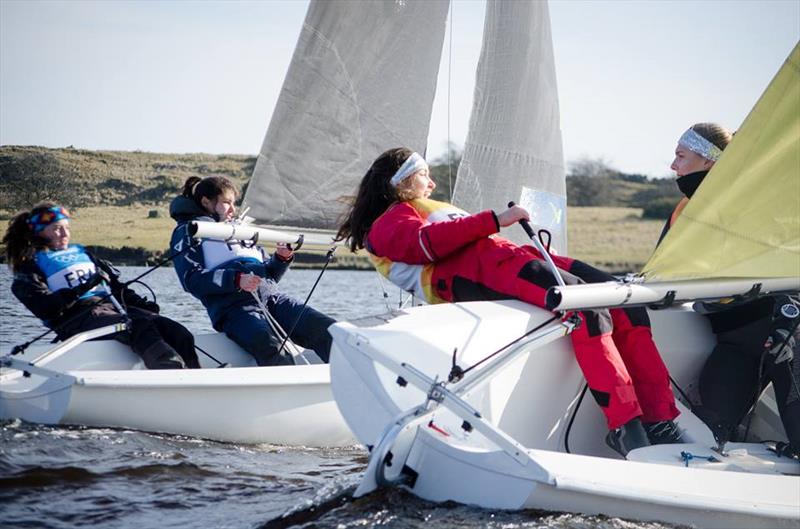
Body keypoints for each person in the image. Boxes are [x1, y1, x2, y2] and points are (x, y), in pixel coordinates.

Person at [335, 147, 683, 456]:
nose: (432, 183)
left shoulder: (422, 207)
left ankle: (660, 419)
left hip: (513, 257)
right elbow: (425, 245)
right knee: (587, 308)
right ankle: (626, 428)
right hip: (478, 273)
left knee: (624, 299)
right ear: (400, 182)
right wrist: (495, 220)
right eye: (425, 174)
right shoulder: (387, 222)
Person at [663, 123, 800, 457]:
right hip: (735, 339)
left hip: (784, 331)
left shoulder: (754, 204)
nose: (673, 166)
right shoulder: (686, 210)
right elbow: (662, 273)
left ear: (710, 162)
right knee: (708, 438)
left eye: (681, 156)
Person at [4, 202, 199, 370]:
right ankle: (171, 373)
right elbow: (45, 307)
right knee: (136, 325)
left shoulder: (83, 254)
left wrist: (139, 303)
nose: (64, 233)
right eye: (56, 228)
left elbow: (114, 286)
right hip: (78, 319)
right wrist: (81, 289)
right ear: (39, 233)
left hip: (111, 309)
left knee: (174, 330)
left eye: (66, 227)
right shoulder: (29, 267)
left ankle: (195, 375)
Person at [169, 176, 336, 366]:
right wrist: (236, 279)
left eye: (234, 203)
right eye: (226, 202)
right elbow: (191, 280)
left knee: (328, 330)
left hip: (272, 298)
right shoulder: (189, 231)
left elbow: (270, 274)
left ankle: (351, 381)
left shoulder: (240, 230)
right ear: (206, 202)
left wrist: (281, 259)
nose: (232, 209)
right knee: (271, 347)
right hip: (234, 310)